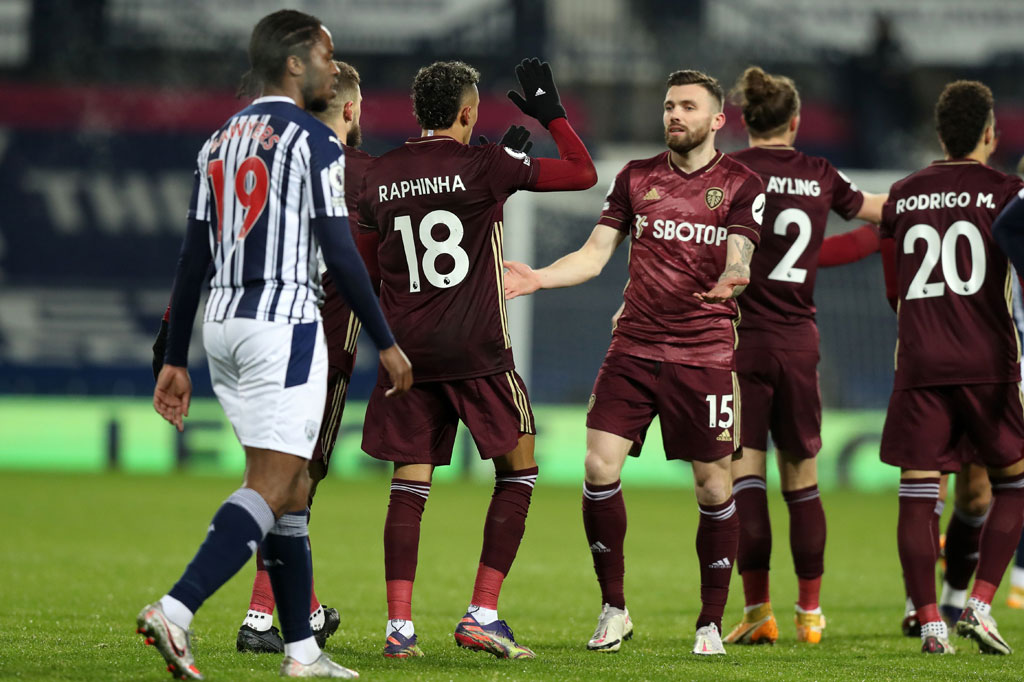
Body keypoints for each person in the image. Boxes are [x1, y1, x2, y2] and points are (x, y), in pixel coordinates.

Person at [136, 10, 412, 680]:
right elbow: (343, 256)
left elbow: (191, 258)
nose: (330, 64)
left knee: (288, 495)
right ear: (295, 64)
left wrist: (175, 356)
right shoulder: (315, 143)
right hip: (283, 323)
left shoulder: (219, 142)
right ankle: (176, 610)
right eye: (324, 53)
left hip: (223, 329)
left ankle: (301, 651)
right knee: (276, 481)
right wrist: (387, 343)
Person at [503, 69, 765, 656]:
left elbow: (741, 252)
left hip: (703, 354)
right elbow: (596, 255)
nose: (675, 115)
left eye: (689, 107)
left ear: (717, 120)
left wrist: (734, 277)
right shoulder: (635, 177)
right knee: (598, 469)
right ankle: (614, 609)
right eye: (670, 105)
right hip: (634, 349)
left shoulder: (740, 183)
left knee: (712, 483)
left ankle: (709, 622)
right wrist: (539, 278)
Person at [356, 58, 597, 659]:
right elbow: (582, 173)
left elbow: (364, 266)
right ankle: (482, 613)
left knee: (409, 483)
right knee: (519, 468)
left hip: (407, 355)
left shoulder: (378, 176)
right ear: (468, 112)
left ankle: (399, 629)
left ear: (419, 113)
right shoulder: (487, 165)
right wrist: (551, 116)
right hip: (477, 350)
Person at [720, 66, 886, 646]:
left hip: (741, 344)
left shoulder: (730, 174)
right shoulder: (819, 173)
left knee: (746, 479)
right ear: (796, 121)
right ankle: (810, 615)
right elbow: (872, 213)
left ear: (744, 122)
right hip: (799, 343)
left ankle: (757, 610)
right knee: (803, 482)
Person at [881, 79, 1024, 655]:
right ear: (990, 133)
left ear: (940, 134)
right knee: (1014, 481)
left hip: (919, 359)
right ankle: (982, 603)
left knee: (918, 493)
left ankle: (932, 623)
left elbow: (894, 289)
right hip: (987, 359)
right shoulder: (1008, 193)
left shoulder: (903, 192)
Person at [232, 60, 366, 655]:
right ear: (352, 110)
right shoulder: (359, 174)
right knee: (294, 486)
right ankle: (263, 620)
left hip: (255, 342)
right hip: (321, 353)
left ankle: (303, 608)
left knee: (279, 479)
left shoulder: (276, 166)